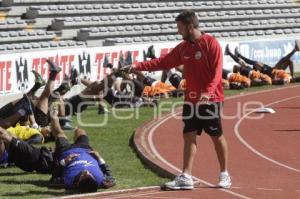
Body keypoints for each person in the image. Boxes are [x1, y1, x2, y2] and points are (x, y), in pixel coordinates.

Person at [125, 10, 231, 189]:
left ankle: (224, 174)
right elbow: (163, 62)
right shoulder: (183, 47)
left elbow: (217, 72)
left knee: (216, 136)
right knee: (188, 135)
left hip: (211, 99)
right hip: (191, 99)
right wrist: (137, 66)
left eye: (180, 27)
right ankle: (186, 176)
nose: (178, 31)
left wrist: (207, 92)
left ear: (190, 27)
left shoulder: (211, 44)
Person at [226, 40, 300, 84]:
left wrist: (274, 78)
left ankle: (234, 54)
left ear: (295, 80)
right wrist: (292, 75)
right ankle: (236, 55)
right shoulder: (290, 76)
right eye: (296, 77)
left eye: (296, 78)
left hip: (269, 73)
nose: (295, 77)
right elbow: (290, 63)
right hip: (272, 70)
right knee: (287, 60)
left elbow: (278, 81)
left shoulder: (288, 79)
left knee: (251, 64)